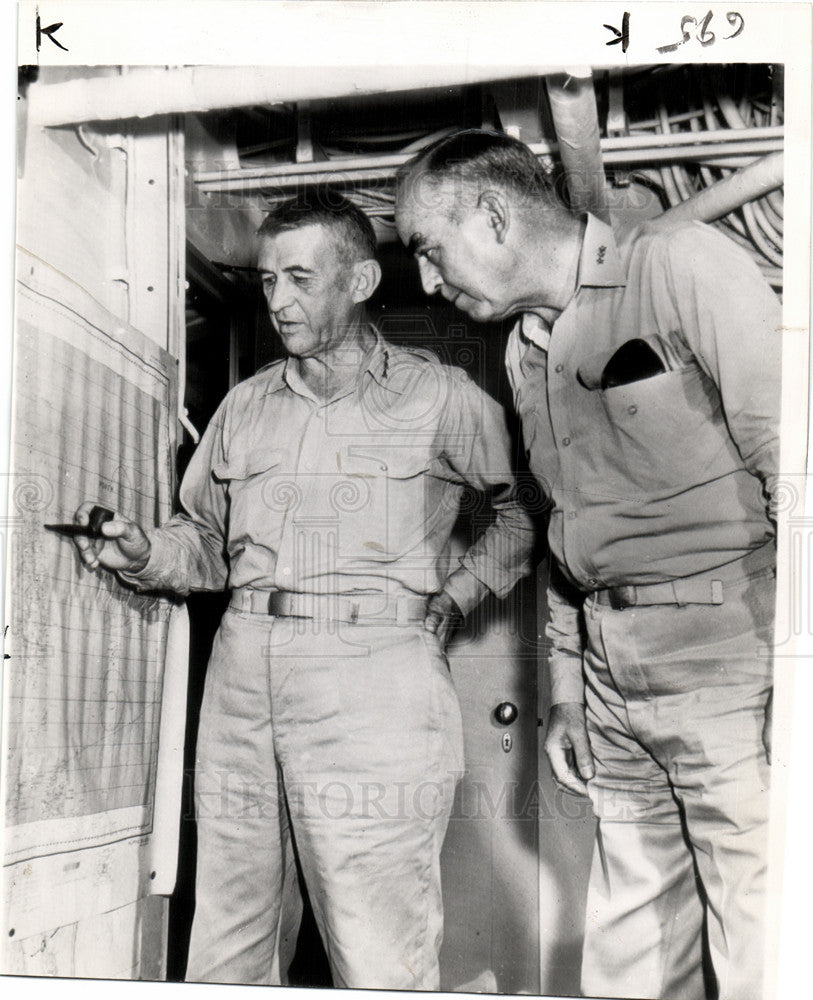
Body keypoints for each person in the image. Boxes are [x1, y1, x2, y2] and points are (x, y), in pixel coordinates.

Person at [73, 190, 534, 990]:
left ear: (357, 281)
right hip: (243, 672)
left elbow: (525, 507)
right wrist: (147, 550)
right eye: (265, 281)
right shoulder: (245, 406)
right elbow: (206, 547)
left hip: (374, 675)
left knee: (375, 940)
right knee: (228, 931)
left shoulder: (439, 395)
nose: (277, 301)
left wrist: (457, 595)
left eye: (298, 278)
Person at [394, 129, 781, 1000]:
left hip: (735, 654)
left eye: (428, 249)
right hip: (612, 678)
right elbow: (565, 532)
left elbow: (796, 470)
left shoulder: (679, 265)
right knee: (630, 943)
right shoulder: (523, 349)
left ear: (492, 215)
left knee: (767, 940)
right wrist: (568, 691)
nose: (426, 281)